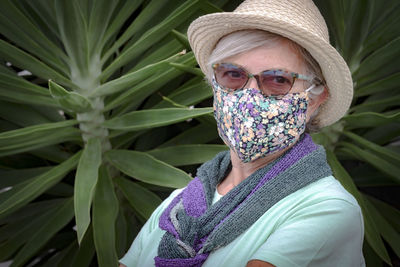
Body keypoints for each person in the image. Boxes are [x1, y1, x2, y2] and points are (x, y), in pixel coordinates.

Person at [119, 0, 365, 266]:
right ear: (214, 85)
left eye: (278, 80)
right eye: (233, 74)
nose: (249, 97)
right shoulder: (178, 206)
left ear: (315, 99)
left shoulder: (327, 209)